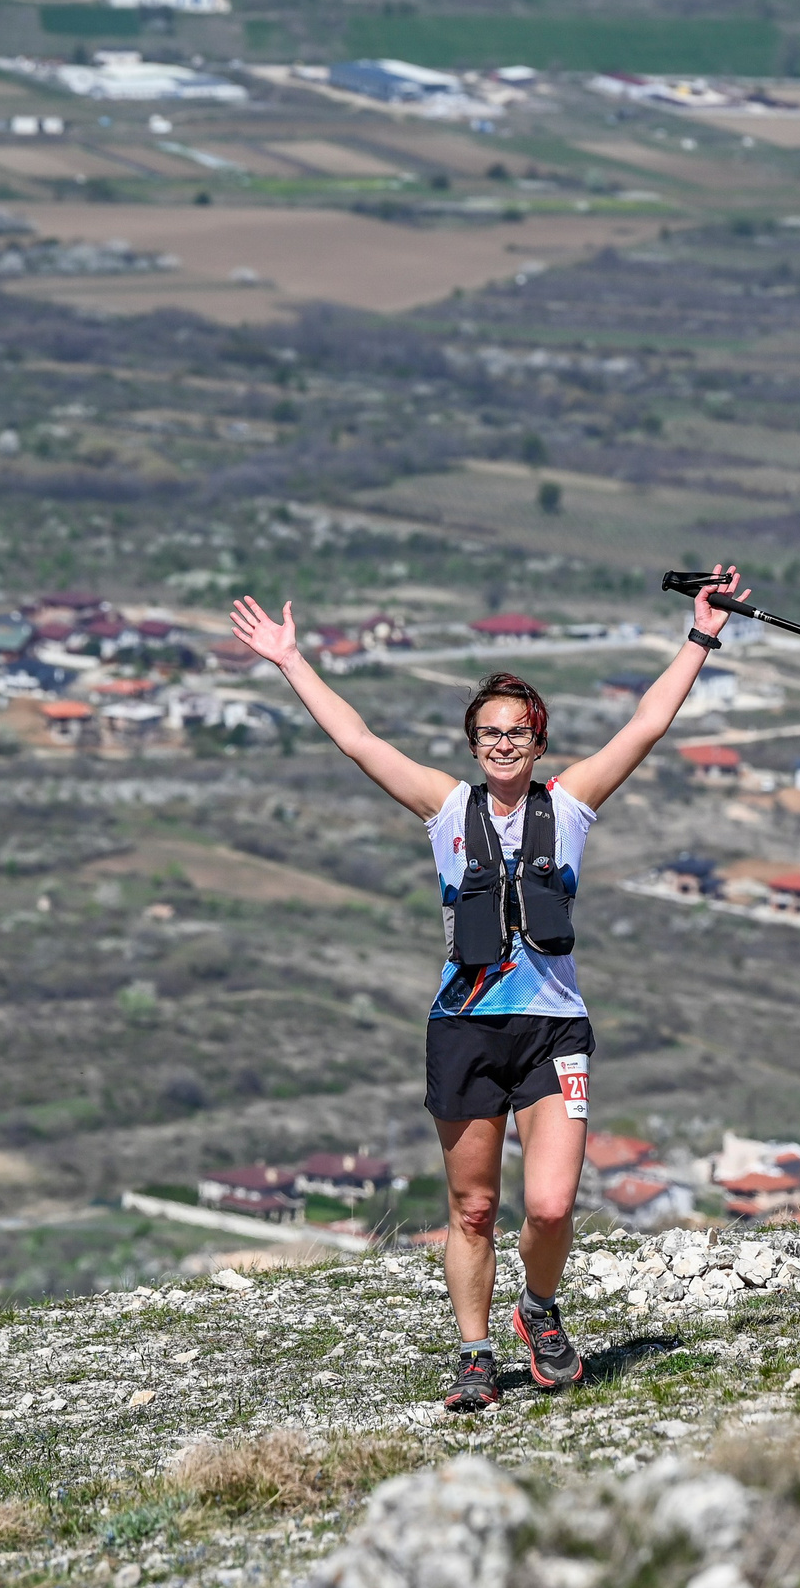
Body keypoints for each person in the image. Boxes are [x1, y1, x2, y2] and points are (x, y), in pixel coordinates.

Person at [230, 568, 746, 1412]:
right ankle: (475, 1356)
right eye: (489, 733)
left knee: (548, 1205)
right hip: (466, 1029)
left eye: (519, 731)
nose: (504, 743)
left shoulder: (570, 804)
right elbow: (359, 741)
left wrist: (701, 635)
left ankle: (537, 1311)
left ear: (539, 741)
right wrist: (291, 662)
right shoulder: (445, 809)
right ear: (473, 744)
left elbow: (647, 723)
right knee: (472, 1208)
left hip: (553, 1031)